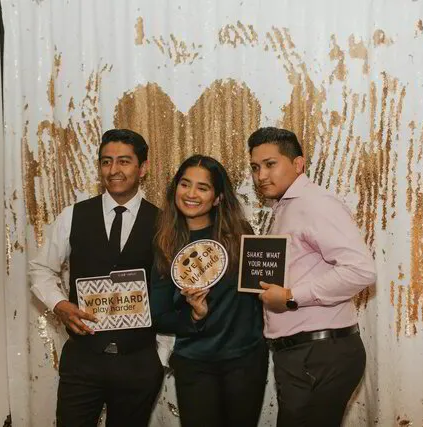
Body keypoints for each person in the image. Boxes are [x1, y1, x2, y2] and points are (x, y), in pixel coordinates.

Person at [29, 129, 163, 427]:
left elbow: (171, 290)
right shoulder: (73, 215)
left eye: (124, 162)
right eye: (106, 162)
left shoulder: (164, 222)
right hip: (83, 358)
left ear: (143, 168)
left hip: (138, 361)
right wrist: (60, 304)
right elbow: (40, 268)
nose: (113, 170)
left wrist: (161, 357)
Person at [248, 127, 377, 427]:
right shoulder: (287, 206)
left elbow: (361, 270)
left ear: (298, 164)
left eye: (270, 164)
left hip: (319, 355)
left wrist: (292, 296)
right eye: (255, 167)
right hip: (303, 355)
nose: (261, 175)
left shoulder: (314, 203)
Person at [150, 154, 268, 427]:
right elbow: (159, 314)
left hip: (245, 359)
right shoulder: (165, 242)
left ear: (217, 197)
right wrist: (195, 316)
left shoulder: (241, 235)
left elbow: (258, 294)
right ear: (175, 189)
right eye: (185, 184)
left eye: (202, 188)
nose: (191, 194)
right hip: (194, 363)